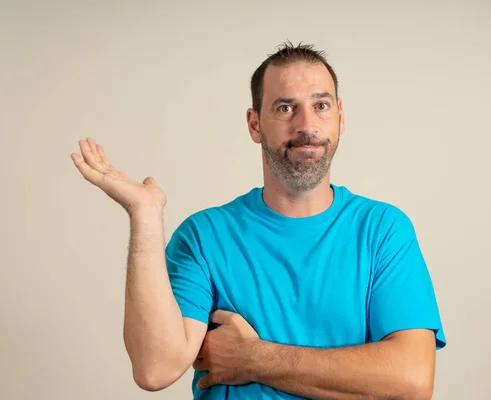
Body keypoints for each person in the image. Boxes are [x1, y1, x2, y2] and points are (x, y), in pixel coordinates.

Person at [71, 42, 447, 400]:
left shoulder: (382, 229)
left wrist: (254, 358)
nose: (306, 125)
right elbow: (155, 369)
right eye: (285, 108)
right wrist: (145, 216)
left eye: (321, 105)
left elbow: (412, 380)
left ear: (340, 117)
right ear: (255, 124)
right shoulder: (204, 237)